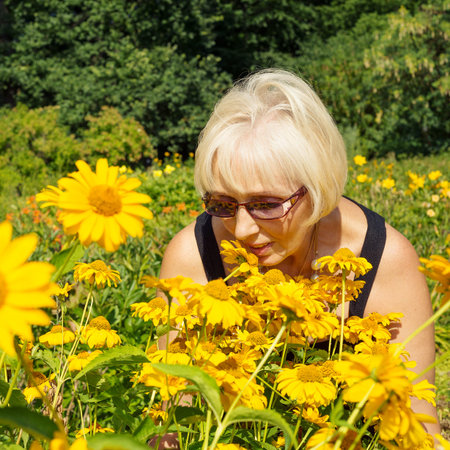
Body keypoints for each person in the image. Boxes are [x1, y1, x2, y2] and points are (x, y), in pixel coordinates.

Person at [159, 68, 440, 434]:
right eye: (223, 203)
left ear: (319, 188)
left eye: (267, 203)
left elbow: (418, 428)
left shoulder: (384, 260)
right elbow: (171, 423)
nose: (241, 230)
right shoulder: (192, 256)